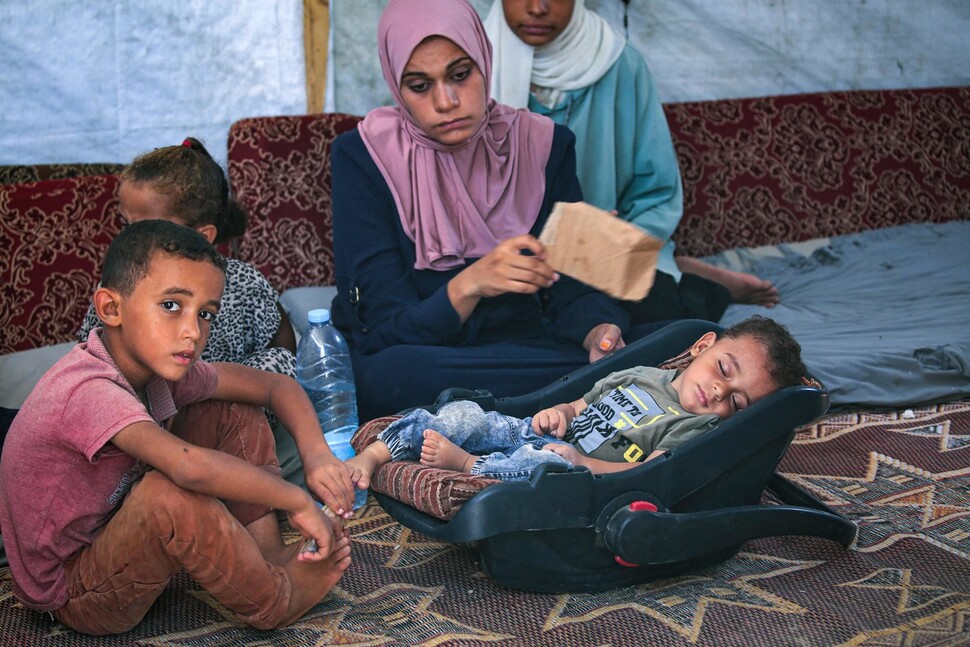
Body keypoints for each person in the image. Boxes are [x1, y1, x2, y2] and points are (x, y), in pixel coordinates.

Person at [0, 220, 355, 636]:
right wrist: (297, 499)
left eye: (205, 313)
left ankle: (269, 556)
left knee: (230, 408)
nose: (193, 331)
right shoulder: (88, 389)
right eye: (171, 305)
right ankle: (274, 600)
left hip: (114, 532)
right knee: (168, 493)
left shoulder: (159, 368)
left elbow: (274, 386)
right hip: (72, 592)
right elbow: (189, 467)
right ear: (111, 309)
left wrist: (316, 455)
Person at [330, 0, 659, 421]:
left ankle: (528, 400)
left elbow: (570, 291)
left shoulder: (543, 144)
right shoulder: (363, 156)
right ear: (396, 85)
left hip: (526, 349)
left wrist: (599, 333)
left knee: (684, 336)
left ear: (484, 61)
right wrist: (471, 284)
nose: (446, 101)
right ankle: (570, 395)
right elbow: (382, 329)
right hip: (428, 356)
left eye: (460, 75)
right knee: (391, 376)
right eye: (419, 85)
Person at [484, 0, 780, 325]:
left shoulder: (619, 64)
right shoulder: (468, 64)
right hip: (497, 245)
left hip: (595, 249)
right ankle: (683, 267)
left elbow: (656, 192)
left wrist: (611, 236)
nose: (537, 8)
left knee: (655, 319)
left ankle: (699, 284)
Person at [75, 138, 309, 487]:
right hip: (151, 424)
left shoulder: (244, 281)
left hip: (229, 414)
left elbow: (285, 348)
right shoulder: (126, 286)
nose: (131, 240)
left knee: (274, 375)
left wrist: (218, 387)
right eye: (128, 226)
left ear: (202, 236)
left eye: (148, 229)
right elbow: (91, 360)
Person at [347, 316, 805, 484]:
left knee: (548, 469)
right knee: (467, 414)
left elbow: (652, 473)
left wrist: (587, 465)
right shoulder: (645, 374)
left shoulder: (696, 428)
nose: (719, 393)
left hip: (575, 469)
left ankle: (467, 468)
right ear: (703, 346)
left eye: (737, 404)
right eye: (724, 371)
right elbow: (579, 405)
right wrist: (557, 413)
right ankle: (375, 454)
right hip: (539, 435)